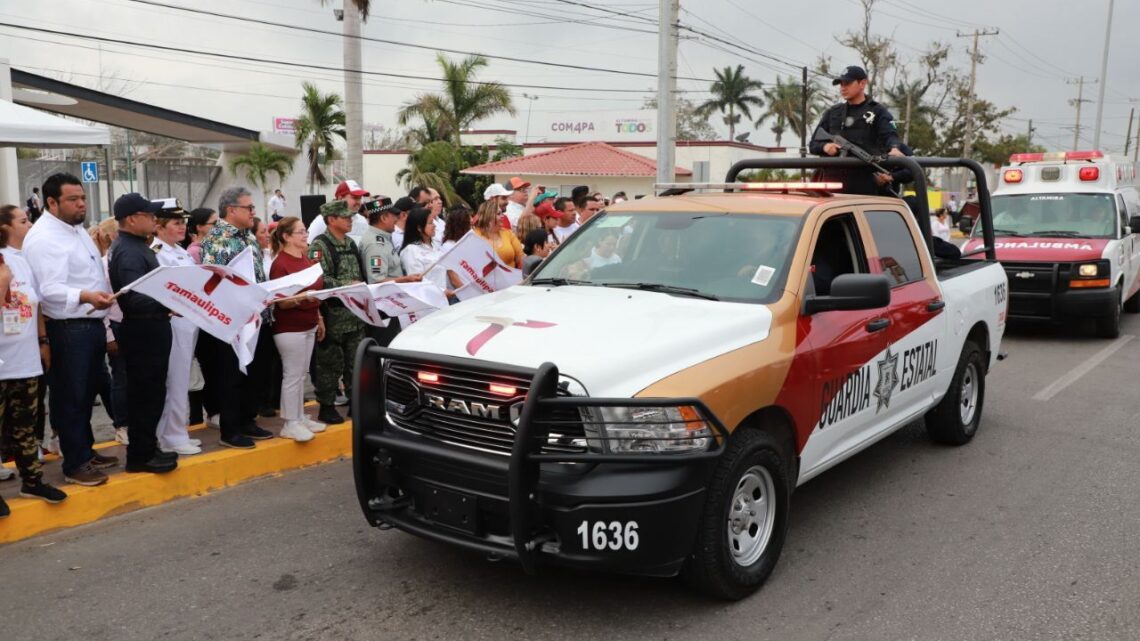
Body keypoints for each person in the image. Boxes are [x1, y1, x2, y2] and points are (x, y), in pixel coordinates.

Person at [23, 173, 117, 486]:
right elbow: (48, 290)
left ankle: (85, 451)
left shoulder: (74, 231)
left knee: (87, 392)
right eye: (73, 199)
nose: (81, 204)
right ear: (51, 202)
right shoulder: (45, 237)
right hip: (66, 326)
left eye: (83, 198)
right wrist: (86, 296)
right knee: (70, 396)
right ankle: (75, 463)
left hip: (89, 322)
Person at [0, 205, 68, 510]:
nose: (30, 225)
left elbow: (36, 304)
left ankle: (32, 480)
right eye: (24, 220)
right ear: (4, 228)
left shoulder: (23, 260)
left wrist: (42, 340)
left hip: (24, 359)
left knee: (26, 424)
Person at [107, 194, 178, 474]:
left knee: (152, 392)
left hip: (153, 326)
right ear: (132, 219)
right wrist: (171, 301)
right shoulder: (128, 251)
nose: (154, 220)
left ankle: (148, 447)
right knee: (145, 394)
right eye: (149, 215)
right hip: (143, 328)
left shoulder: (137, 246)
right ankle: (140, 455)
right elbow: (133, 298)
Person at [200, 186, 274, 449]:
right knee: (231, 375)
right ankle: (230, 429)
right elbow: (218, 281)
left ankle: (247, 419)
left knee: (253, 373)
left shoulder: (248, 237)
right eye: (249, 208)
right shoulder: (217, 239)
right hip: (232, 320)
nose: (253, 212)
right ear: (231, 210)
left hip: (255, 316)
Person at [150, 203, 203, 456]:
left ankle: (176, 431)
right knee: (175, 380)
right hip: (172, 320)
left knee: (182, 379)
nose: (182, 226)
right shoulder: (157, 251)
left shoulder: (179, 252)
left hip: (188, 320)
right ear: (158, 226)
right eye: (175, 223)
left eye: (183, 222)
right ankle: (172, 435)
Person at [269, 217, 327, 441]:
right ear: (286, 237)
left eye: (305, 231)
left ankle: (300, 416)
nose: (305, 235)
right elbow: (281, 302)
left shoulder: (304, 258)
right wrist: (303, 298)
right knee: (292, 375)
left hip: (309, 322)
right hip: (289, 327)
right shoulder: (280, 264)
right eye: (301, 232)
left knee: (302, 374)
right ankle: (290, 423)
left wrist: (319, 317)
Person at [311, 199, 366, 425]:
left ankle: (355, 403)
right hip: (333, 316)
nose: (350, 220)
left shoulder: (351, 244)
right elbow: (318, 280)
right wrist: (348, 284)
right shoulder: (319, 246)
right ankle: (326, 406)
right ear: (332, 220)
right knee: (329, 364)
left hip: (355, 316)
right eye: (345, 217)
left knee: (356, 363)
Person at [808, 65, 904, 196]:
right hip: (832, 185)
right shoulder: (833, 112)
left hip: (863, 183)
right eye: (841, 84)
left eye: (847, 83)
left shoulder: (878, 112)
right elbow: (813, 144)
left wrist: (894, 148)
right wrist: (825, 146)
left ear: (862, 83)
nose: (843, 87)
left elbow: (891, 135)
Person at [399, 207, 449, 292]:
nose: (434, 226)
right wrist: (441, 292)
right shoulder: (410, 251)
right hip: (431, 300)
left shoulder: (435, 245)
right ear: (419, 228)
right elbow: (417, 282)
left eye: (433, 222)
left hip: (446, 298)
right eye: (430, 223)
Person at [473, 201, 524, 269]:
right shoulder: (475, 236)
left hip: (512, 277)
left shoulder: (508, 233)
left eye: (502, 213)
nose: (502, 216)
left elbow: (521, 258)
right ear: (488, 216)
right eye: (498, 214)